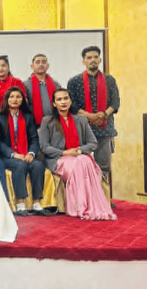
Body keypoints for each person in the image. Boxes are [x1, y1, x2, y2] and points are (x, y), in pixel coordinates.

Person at [39, 89, 116, 220]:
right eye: (59, 99)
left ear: (70, 101)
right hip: (59, 159)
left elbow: (92, 142)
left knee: (83, 160)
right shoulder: (48, 121)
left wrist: (80, 150)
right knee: (82, 162)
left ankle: (86, 207)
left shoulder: (80, 119)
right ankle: (81, 207)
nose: (63, 102)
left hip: (79, 156)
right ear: (54, 104)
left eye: (66, 98)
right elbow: (44, 147)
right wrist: (65, 152)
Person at [0, 87, 48, 216]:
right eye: (11, 97)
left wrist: (31, 153)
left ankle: (36, 203)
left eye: (18, 97)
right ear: (6, 99)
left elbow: (34, 138)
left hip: (25, 154)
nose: (15, 100)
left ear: (23, 100)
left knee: (38, 165)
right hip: (6, 156)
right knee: (20, 165)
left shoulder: (27, 117)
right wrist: (13, 154)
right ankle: (20, 204)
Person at [66, 46, 120, 177]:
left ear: (100, 60)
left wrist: (104, 114)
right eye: (89, 58)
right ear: (83, 61)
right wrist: (88, 116)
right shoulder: (74, 81)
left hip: (104, 127)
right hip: (82, 129)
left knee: (104, 167)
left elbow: (115, 102)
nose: (93, 60)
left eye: (95, 57)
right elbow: (71, 105)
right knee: (80, 165)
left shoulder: (109, 80)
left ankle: (102, 190)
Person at [24, 54, 63, 128]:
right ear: (32, 66)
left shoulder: (55, 84)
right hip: (34, 125)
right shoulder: (25, 85)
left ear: (47, 66)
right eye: (37, 62)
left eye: (43, 62)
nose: (41, 64)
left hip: (55, 123)